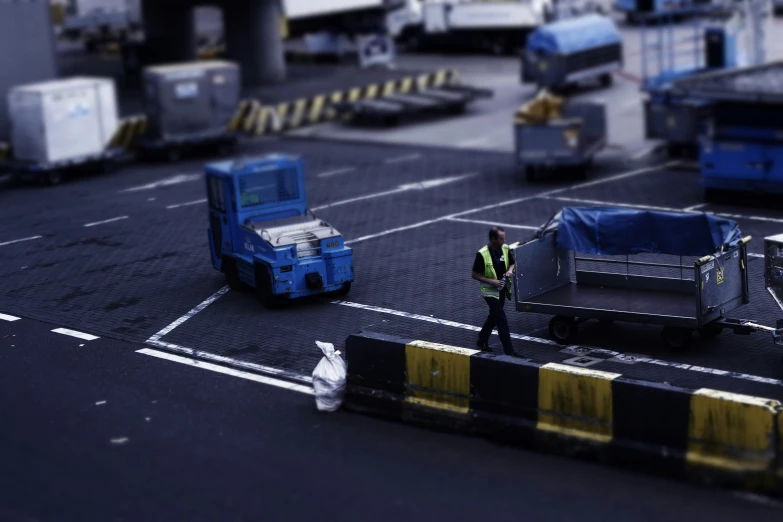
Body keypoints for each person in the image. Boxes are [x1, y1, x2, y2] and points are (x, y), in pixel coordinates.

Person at [471, 226, 519, 356]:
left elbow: (512, 263)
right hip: (490, 292)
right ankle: (509, 351)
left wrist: (510, 271)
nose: (504, 240)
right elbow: (474, 274)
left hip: (502, 289)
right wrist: (491, 281)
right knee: (501, 319)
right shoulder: (482, 254)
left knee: (493, 317)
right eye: (501, 238)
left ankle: (482, 339)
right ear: (493, 239)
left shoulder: (505, 248)